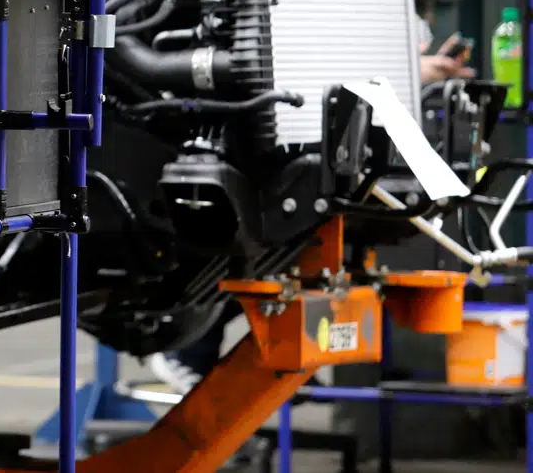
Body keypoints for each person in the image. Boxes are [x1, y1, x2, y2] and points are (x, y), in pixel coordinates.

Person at [145, 29, 477, 394]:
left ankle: (257, 352)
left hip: (327, 133)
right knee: (251, 236)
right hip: (276, 126)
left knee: (284, 244)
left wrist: (412, 70)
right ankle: (192, 353)